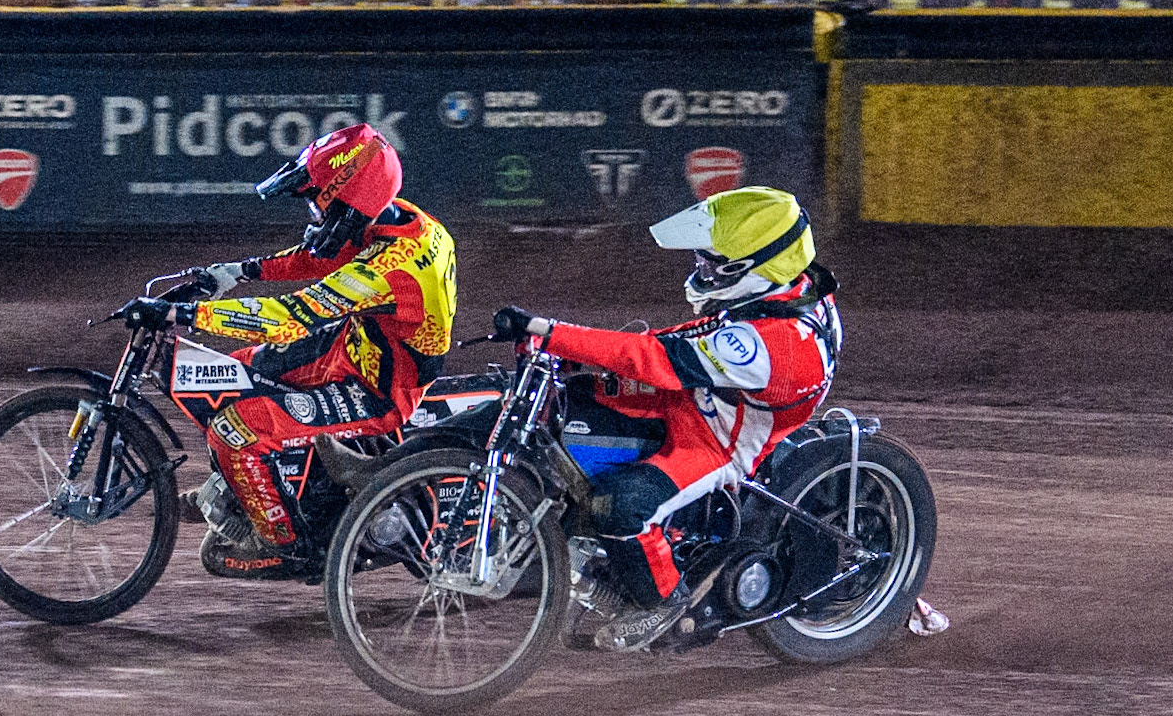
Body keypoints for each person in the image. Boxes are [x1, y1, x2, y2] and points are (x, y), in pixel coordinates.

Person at [494, 186, 947, 650]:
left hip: (720, 443)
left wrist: (549, 332)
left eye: (715, 263)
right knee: (574, 402)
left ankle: (663, 604)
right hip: (716, 399)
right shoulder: (790, 286)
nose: (702, 270)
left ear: (754, 269)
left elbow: (658, 356)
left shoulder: (769, 345)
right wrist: (584, 355)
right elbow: (692, 335)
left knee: (620, 506)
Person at [117, 123, 457, 580]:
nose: (312, 212)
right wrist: (237, 271)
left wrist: (187, 315)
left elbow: (289, 317)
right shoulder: (398, 220)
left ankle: (283, 544)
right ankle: (263, 486)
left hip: (378, 390)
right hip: (352, 348)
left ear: (350, 198)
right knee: (228, 376)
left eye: (317, 200)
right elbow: (321, 258)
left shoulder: (392, 268)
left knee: (233, 431)